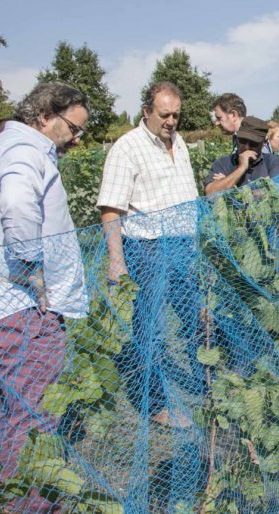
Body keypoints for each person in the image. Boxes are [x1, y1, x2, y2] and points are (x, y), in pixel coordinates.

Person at [0, 82, 90, 511]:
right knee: (34, 422)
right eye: (73, 128)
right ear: (44, 117)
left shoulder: (2, 146)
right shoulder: (26, 150)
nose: (78, 139)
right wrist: (33, 271)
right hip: (19, 310)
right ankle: (33, 506)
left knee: (10, 417)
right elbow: (18, 206)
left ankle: (11, 500)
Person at [97, 81, 202, 429]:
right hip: (148, 250)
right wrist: (117, 262)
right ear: (146, 112)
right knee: (151, 328)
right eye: (164, 115)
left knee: (195, 319)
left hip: (184, 248)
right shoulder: (127, 149)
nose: (171, 121)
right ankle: (155, 403)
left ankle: (204, 384)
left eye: (175, 115)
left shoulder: (179, 142)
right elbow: (111, 209)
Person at [204, 116, 279, 195]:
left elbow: (275, 194)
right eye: (242, 141)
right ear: (236, 139)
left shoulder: (274, 163)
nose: (246, 147)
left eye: (253, 143)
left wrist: (228, 184)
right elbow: (210, 193)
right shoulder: (223, 163)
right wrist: (241, 168)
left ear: (264, 142)